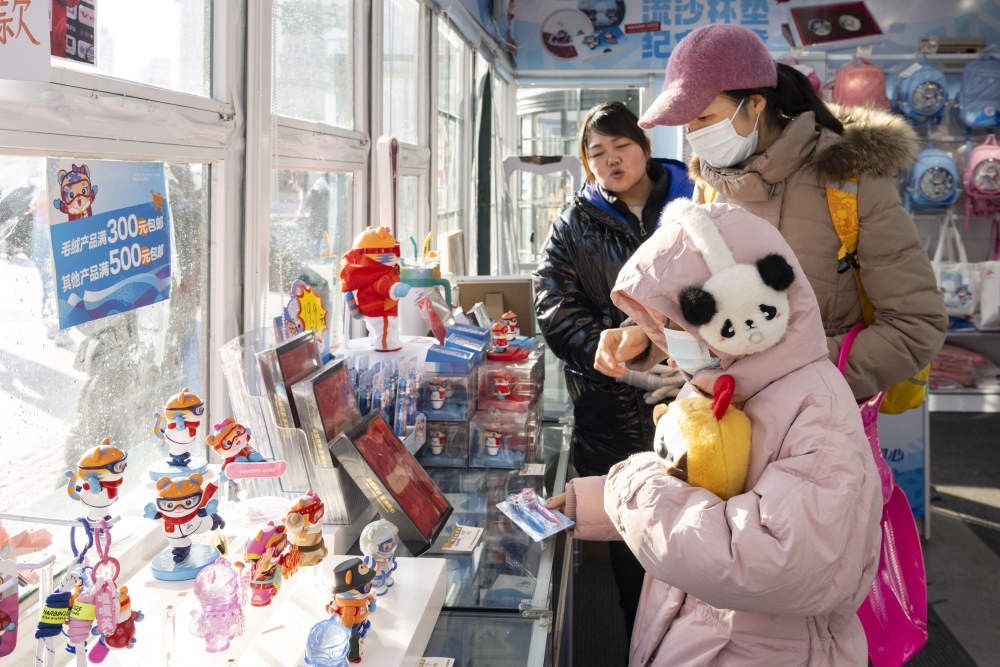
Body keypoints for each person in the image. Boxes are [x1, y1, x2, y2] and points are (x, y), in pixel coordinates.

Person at [550, 199, 883, 665]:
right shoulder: (721, 383)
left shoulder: (817, 409)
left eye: (677, 322)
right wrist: (595, 500)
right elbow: (695, 490)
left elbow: (771, 561)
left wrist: (627, 489)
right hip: (707, 633)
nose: (669, 340)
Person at [595, 24, 946, 401]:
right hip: (734, 416)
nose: (695, 133)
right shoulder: (710, 189)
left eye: (705, 118)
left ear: (755, 104)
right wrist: (645, 335)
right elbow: (710, 300)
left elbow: (915, 326)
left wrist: (798, 377)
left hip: (823, 417)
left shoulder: (850, 183)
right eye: (688, 123)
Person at [533, 101, 693, 643]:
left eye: (621, 146)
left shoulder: (694, 204)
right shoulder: (573, 225)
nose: (611, 160)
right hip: (612, 416)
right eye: (597, 153)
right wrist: (614, 360)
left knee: (702, 542)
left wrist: (684, 355)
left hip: (697, 401)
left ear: (645, 148)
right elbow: (554, 308)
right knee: (633, 554)